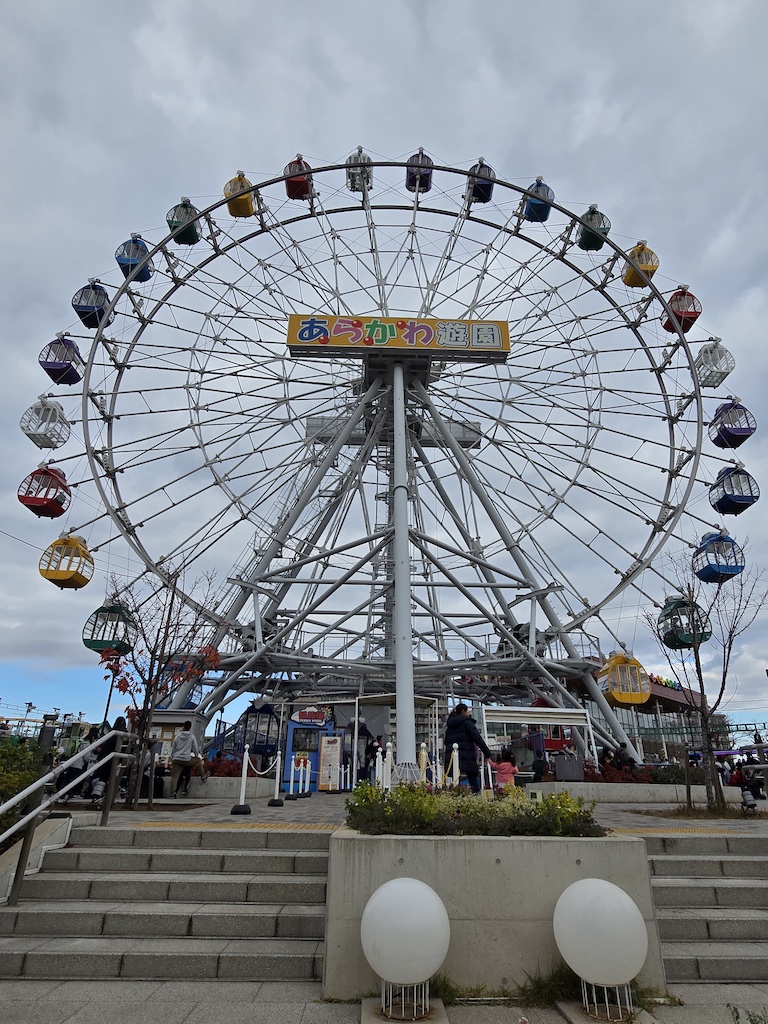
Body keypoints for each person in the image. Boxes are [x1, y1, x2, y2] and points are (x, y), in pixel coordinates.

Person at [443, 703, 492, 793]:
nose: (469, 712)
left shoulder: (449, 726)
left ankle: (456, 796)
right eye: (468, 710)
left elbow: (446, 742)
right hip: (467, 756)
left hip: (453, 757)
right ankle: (476, 796)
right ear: (463, 711)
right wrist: (487, 754)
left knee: (456, 779)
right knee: (472, 778)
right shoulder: (467, 723)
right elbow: (478, 738)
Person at [170, 721, 209, 797]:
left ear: (183, 727)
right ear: (190, 727)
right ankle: (203, 776)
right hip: (186, 758)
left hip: (176, 759)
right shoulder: (191, 737)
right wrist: (197, 756)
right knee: (198, 762)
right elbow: (195, 748)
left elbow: (173, 748)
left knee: (174, 777)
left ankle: (172, 793)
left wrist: (172, 757)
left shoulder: (177, 737)